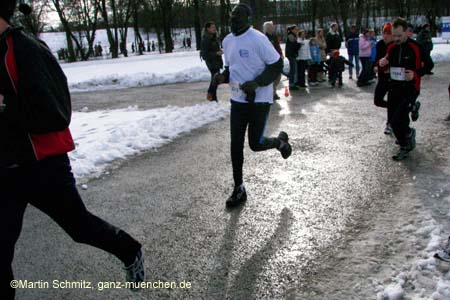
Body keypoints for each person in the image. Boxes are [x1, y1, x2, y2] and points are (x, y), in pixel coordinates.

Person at [0, 2, 145, 299]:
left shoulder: (26, 50)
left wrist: (5, 107)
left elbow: (56, 113)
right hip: (4, 171)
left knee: (80, 228)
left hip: (42, 167)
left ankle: (129, 250)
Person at [214, 3, 292, 208]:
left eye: (238, 17)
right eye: (232, 17)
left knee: (255, 144)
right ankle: (239, 188)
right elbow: (231, 68)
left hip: (259, 100)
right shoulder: (228, 40)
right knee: (235, 145)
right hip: (238, 100)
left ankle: (280, 142)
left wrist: (257, 83)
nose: (234, 20)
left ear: (248, 19)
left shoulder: (258, 39)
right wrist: (222, 77)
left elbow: (276, 65)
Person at [379, 18, 428, 161]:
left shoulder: (416, 47)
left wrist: (415, 74)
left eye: (399, 35)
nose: (396, 39)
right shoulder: (392, 47)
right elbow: (387, 64)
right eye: (394, 35)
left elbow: (428, 66)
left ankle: (405, 145)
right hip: (395, 89)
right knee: (396, 121)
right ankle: (407, 135)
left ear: (407, 32)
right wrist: (383, 63)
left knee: (396, 120)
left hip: (411, 89)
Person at [374, 23, 394, 135]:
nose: (385, 36)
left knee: (391, 100)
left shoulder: (396, 45)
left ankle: (389, 124)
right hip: (382, 77)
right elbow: (377, 58)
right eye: (384, 33)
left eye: (388, 33)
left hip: (393, 79)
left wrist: (390, 68)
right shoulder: (380, 44)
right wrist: (376, 66)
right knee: (377, 100)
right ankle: (395, 108)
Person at [200, 21, 223, 102]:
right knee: (215, 78)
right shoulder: (206, 38)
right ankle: (211, 95)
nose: (214, 29)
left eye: (215, 27)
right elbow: (205, 54)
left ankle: (213, 97)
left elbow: (214, 48)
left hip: (216, 61)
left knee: (216, 79)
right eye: (212, 27)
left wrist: (219, 51)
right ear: (208, 28)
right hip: (211, 62)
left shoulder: (213, 37)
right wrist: (216, 53)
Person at [263, 21, 284, 100]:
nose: (273, 28)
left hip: (277, 58)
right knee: (271, 77)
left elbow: (277, 46)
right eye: (272, 27)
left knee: (278, 77)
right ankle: (271, 93)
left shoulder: (274, 36)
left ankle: (273, 91)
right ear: (268, 28)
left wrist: (281, 54)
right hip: (269, 60)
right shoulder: (264, 37)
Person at [285, 25, 300, 91]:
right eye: (296, 29)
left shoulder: (293, 35)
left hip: (292, 54)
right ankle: (291, 84)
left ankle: (294, 82)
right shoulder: (291, 35)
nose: (297, 30)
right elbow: (293, 45)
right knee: (293, 69)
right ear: (292, 29)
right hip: (291, 54)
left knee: (294, 69)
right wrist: (299, 45)